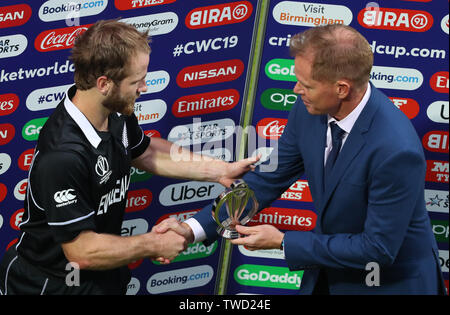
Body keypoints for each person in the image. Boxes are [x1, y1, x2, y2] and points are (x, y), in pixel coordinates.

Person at [159, 24, 446, 295]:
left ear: (341, 89)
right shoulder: (309, 109)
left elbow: (378, 249)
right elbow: (268, 179)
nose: (296, 90)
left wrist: (283, 242)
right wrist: (191, 230)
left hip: (388, 284)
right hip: (328, 273)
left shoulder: (395, 149)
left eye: (305, 85)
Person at [0, 19, 258, 295]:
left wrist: (219, 170)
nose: (144, 87)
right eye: (137, 81)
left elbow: (145, 152)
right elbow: (82, 251)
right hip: (51, 284)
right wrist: (152, 244)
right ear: (104, 83)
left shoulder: (116, 113)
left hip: (103, 274)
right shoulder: (63, 154)